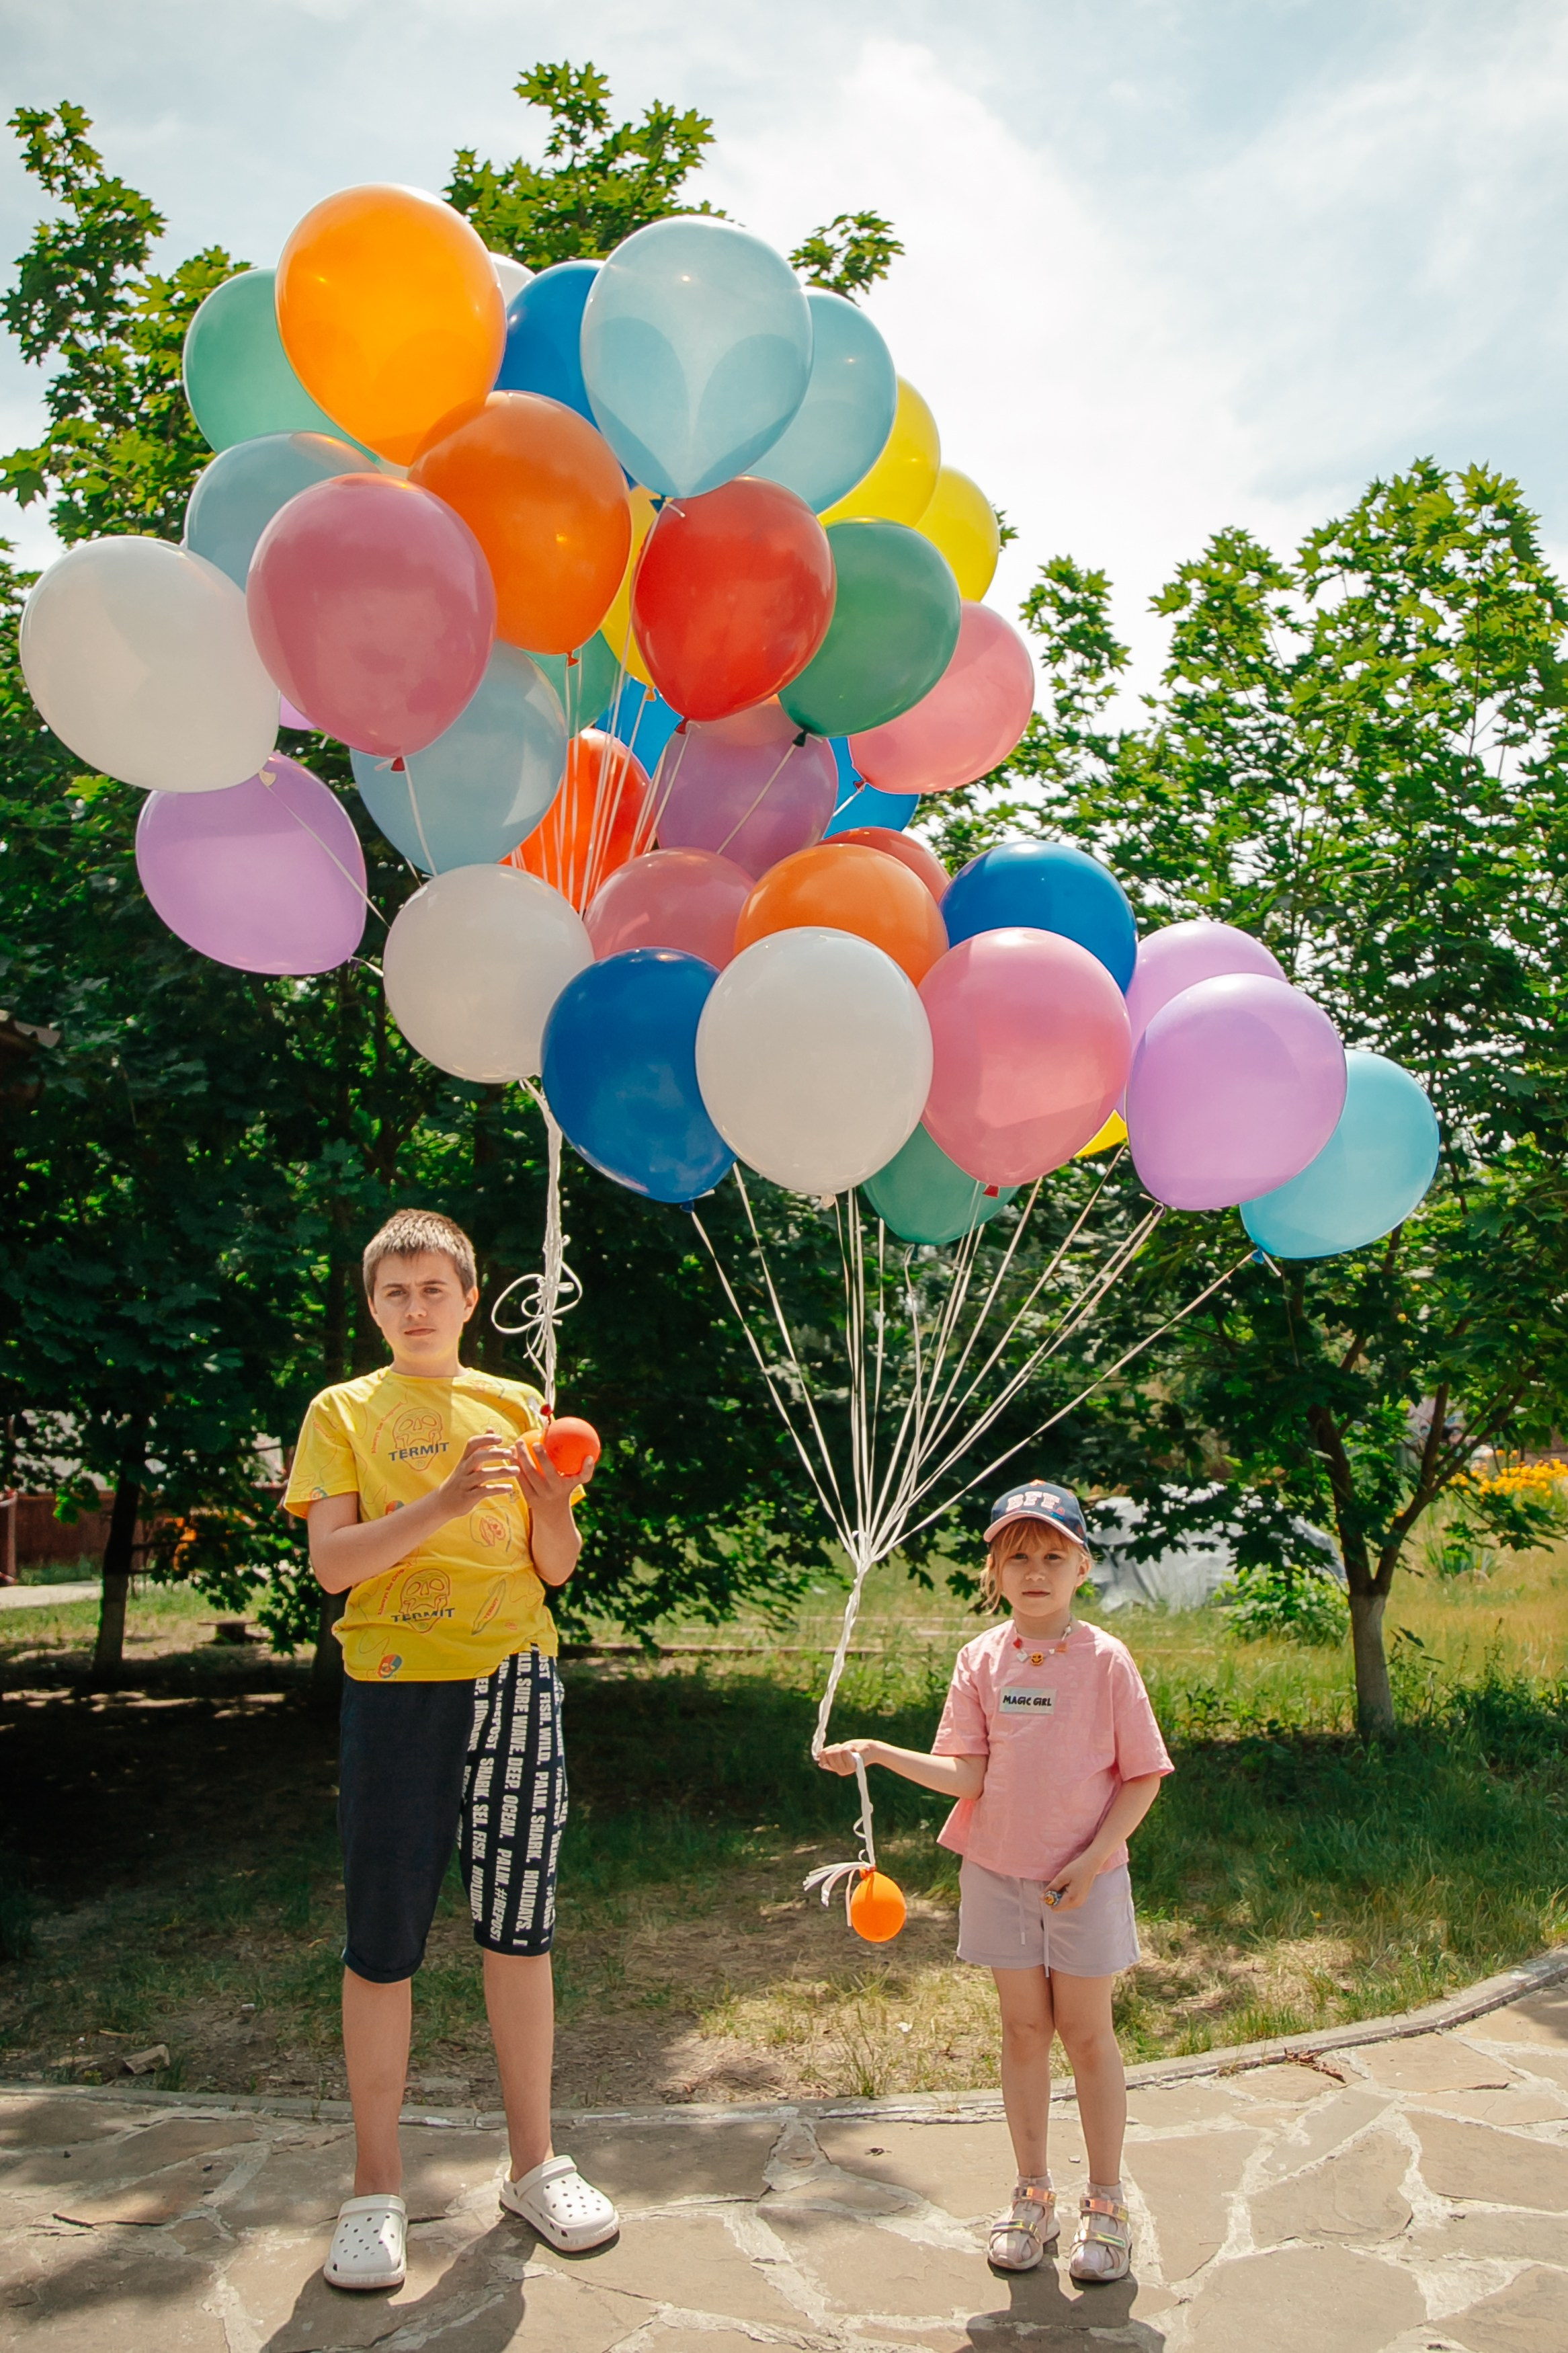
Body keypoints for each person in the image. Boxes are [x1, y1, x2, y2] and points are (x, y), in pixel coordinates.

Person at [284, 1208, 617, 2292]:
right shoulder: (342, 1411)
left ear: (472, 1300)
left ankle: (535, 2164)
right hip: (392, 1688)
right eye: (394, 1293)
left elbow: (556, 1565)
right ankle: (375, 2188)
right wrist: (441, 1501)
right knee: (382, 1939)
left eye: (434, 1289)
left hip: (515, 1677)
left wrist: (551, 1500)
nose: (415, 1308)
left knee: (520, 1930)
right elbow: (334, 1565)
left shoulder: (518, 1405)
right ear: (373, 1307)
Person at [819, 1480, 1171, 2283]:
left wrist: (1091, 1859)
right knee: (1021, 2033)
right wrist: (877, 1749)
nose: (1035, 1569)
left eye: (1053, 1554)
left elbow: (1142, 1776)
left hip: (1086, 1878)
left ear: (1082, 1564)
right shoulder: (980, 1658)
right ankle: (1031, 2193)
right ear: (994, 1569)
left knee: (1086, 2036)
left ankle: (1107, 2203)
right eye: (1017, 1555)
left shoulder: (1107, 1659)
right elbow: (967, 1773)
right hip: (999, 1875)